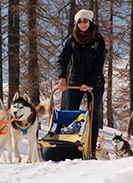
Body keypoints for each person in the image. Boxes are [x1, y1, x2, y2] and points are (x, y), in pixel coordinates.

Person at [57, 9, 106, 159]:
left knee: (93, 116)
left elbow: (99, 64)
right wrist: (62, 77)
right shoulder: (71, 40)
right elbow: (62, 60)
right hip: (75, 83)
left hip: (95, 83)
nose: (83, 24)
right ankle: (70, 149)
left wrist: (90, 83)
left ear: (90, 22)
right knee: (70, 114)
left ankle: (90, 151)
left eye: (85, 21)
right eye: (80, 21)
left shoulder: (98, 40)